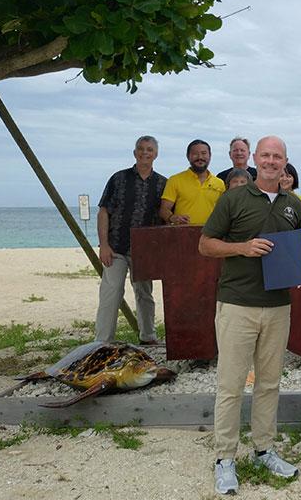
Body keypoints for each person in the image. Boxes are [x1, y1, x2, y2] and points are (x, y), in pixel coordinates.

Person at [199, 136, 301, 495]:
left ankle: (264, 449)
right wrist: (242, 248)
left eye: (278, 156)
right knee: (230, 385)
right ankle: (224, 459)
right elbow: (206, 244)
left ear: (286, 162)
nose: (272, 161)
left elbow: (299, 252)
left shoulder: (295, 205)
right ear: (255, 160)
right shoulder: (233, 198)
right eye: (266, 155)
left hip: (277, 308)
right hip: (237, 304)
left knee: (269, 383)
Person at [95, 136, 167, 345]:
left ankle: (148, 336)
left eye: (150, 149)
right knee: (111, 293)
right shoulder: (118, 178)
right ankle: (102, 342)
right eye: (141, 149)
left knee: (145, 294)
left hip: (145, 250)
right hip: (116, 246)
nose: (145, 153)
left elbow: (165, 216)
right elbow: (103, 212)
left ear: (156, 154)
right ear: (135, 153)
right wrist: (104, 245)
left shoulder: (163, 183)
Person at [160, 139, 225, 225]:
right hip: (183, 234)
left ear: (210, 156)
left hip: (211, 235)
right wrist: (172, 218)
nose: (200, 157)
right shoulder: (175, 180)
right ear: (188, 156)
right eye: (195, 154)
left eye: (204, 153)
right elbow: (164, 210)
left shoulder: (219, 183)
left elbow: (225, 212)